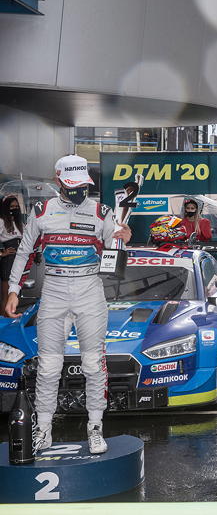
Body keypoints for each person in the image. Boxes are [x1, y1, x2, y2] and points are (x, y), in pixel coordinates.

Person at [4, 155, 132, 454]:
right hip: (55, 291)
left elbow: (115, 254)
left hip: (90, 290)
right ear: (59, 180)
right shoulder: (42, 211)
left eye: (83, 185)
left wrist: (124, 237)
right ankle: (44, 430)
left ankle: (96, 428)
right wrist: (13, 290)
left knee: (92, 364)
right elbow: (24, 253)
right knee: (48, 367)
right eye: (73, 185)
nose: (79, 191)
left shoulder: (102, 211)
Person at [0, 195, 23, 308]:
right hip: (8, 259)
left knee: (15, 294)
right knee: (6, 295)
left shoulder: (20, 223)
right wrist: (1, 253)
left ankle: (13, 321)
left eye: (16, 206)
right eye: (12, 206)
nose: (14, 208)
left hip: (19, 259)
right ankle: (3, 322)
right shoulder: (1, 221)